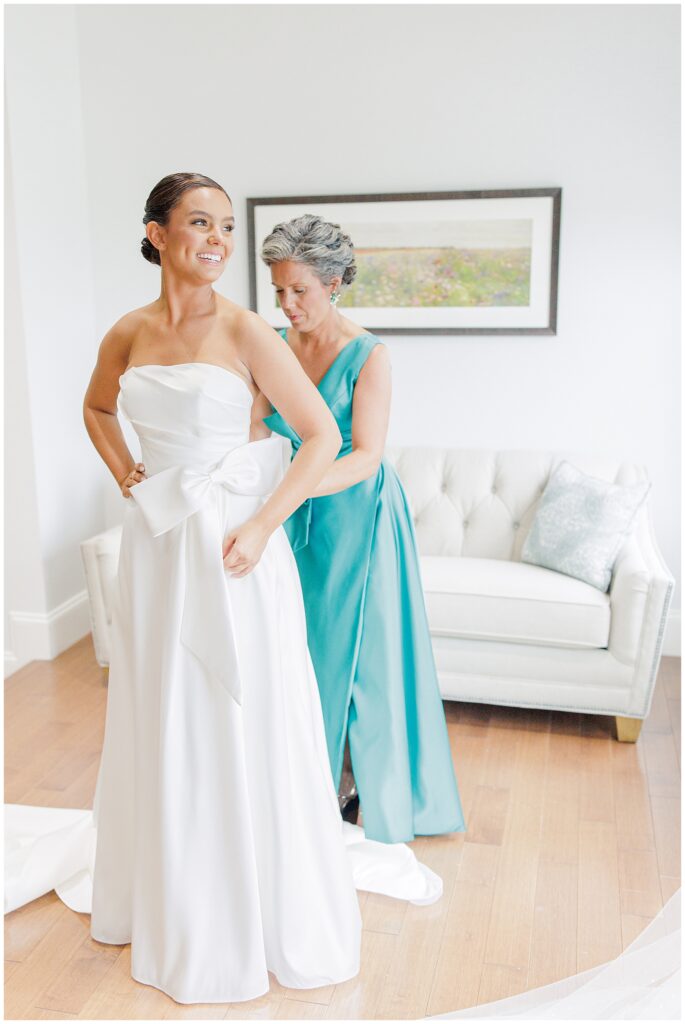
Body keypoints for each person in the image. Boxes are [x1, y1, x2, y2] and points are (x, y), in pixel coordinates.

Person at [82, 174, 361, 1004]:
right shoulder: (127, 332)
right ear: (155, 233)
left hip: (236, 546)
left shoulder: (246, 329)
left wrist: (265, 523)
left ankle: (246, 900)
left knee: (235, 708)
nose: (217, 239)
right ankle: (166, 890)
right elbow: (98, 410)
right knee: (163, 704)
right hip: (160, 543)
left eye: (227, 227)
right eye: (199, 223)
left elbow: (319, 437)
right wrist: (129, 474)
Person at [258, 214, 467, 845]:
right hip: (286, 514)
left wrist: (289, 490)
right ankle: (294, 787)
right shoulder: (269, 343)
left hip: (357, 511)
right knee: (291, 648)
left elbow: (366, 454)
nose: (288, 304)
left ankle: (358, 791)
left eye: (301, 291)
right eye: (279, 291)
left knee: (359, 660)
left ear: (335, 282)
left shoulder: (369, 354)